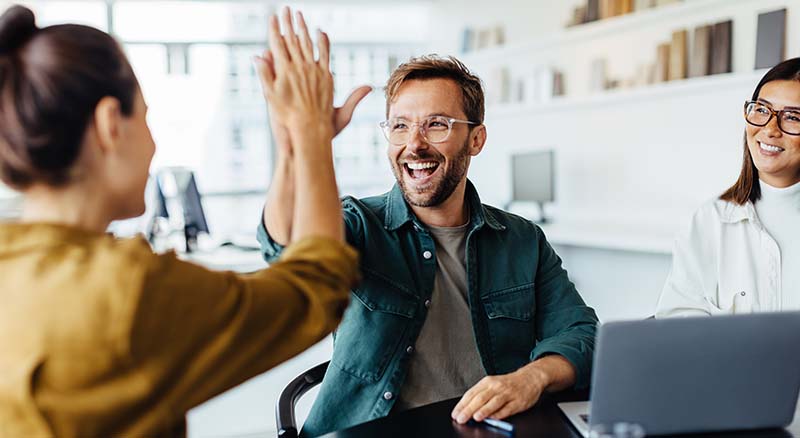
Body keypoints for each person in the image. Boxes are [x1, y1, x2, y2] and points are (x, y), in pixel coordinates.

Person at [0, 6, 359, 436]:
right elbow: (316, 289)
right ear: (110, 124)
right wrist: (312, 131)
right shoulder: (126, 291)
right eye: (146, 116)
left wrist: (294, 148)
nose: (154, 144)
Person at [259, 52, 599, 436]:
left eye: (436, 124)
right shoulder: (358, 225)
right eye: (400, 126)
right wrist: (296, 145)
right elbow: (285, 246)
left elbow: (582, 334)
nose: (415, 144)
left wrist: (532, 378)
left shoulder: (522, 240)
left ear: (476, 139)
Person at [656, 57, 800, 317]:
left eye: (792, 117)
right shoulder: (708, 222)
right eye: (761, 110)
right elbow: (678, 326)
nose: (769, 129)